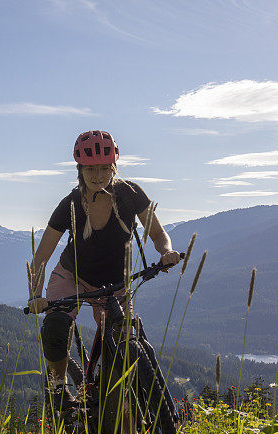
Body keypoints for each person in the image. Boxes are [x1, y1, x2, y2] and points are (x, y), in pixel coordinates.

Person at [27, 130, 180, 414]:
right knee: (56, 328)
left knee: (124, 341)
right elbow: (41, 257)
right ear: (80, 170)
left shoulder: (131, 194)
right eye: (90, 169)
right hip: (72, 276)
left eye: (103, 168)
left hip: (115, 283)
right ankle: (58, 388)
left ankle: (120, 416)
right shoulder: (70, 205)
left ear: (113, 167)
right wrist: (35, 295)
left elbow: (158, 233)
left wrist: (166, 252)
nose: (98, 175)